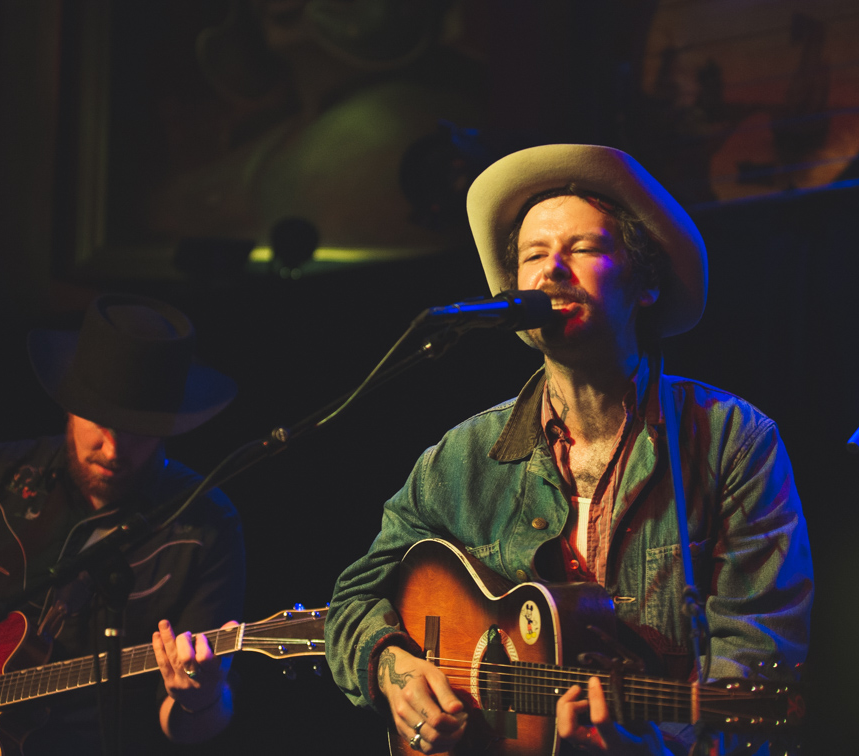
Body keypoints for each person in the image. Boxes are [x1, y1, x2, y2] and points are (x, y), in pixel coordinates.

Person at [324, 144, 813, 755]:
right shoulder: (460, 459)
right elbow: (351, 602)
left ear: (645, 284)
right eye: (533, 255)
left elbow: (758, 654)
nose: (552, 269)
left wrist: (651, 749)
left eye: (582, 248)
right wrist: (392, 668)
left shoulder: (732, 443)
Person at [0, 294, 246, 755]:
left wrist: (201, 700)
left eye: (138, 429)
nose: (113, 449)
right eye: (100, 421)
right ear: (70, 403)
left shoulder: (205, 525)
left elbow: (188, 721)